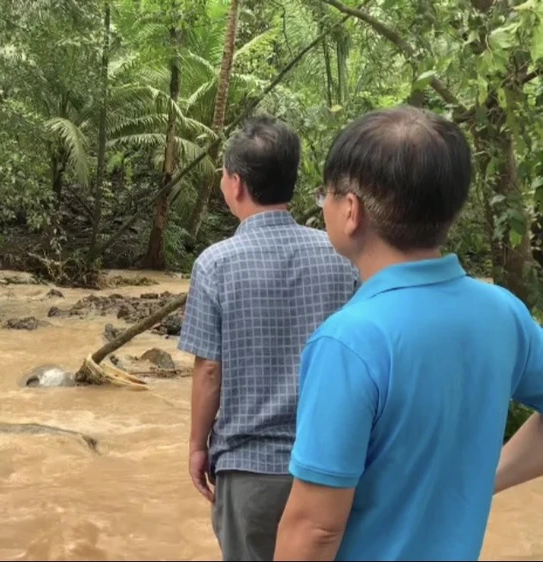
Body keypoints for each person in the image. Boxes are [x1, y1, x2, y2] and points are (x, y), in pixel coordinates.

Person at [273, 106, 543, 561]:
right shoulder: (502, 313)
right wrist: (479, 479)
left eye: (327, 196)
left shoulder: (347, 342)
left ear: (351, 210)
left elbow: (315, 528)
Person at [178, 116, 357, 562]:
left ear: (236, 184)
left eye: (223, 174)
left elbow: (210, 370)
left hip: (249, 470)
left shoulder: (215, 264)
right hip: (331, 467)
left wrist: (198, 446)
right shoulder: (341, 256)